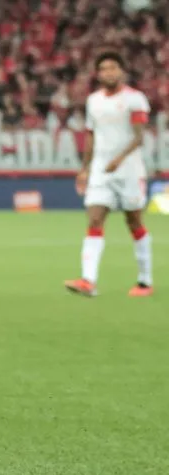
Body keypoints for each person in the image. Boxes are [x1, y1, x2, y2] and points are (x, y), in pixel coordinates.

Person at [66, 51, 154, 298]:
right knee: (94, 218)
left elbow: (138, 137)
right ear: (98, 74)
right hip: (101, 172)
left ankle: (145, 281)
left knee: (134, 222)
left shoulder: (134, 99)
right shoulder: (93, 100)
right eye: (104, 69)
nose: (109, 72)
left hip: (129, 171)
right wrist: (85, 168)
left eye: (113, 68)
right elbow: (91, 135)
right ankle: (88, 280)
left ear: (122, 71)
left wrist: (119, 159)